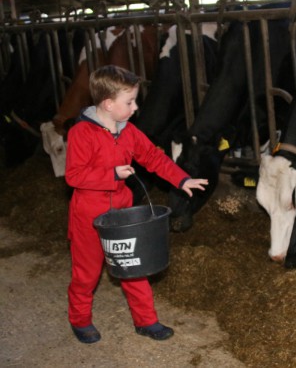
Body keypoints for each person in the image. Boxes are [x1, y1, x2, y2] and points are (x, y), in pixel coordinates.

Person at [65, 64, 208, 344]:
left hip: (122, 212)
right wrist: (111, 174)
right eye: (129, 101)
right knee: (87, 272)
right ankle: (80, 320)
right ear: (108, 104)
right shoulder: (81, 133)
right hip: (88, 216)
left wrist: (182, 180)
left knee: (133, 265)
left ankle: (146, 321)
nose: (135, 107)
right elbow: (74, 175)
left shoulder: (128, 131)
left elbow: (153, 158)